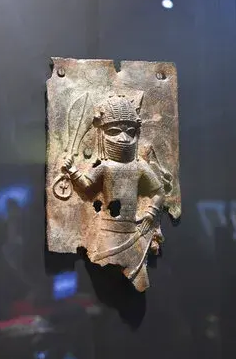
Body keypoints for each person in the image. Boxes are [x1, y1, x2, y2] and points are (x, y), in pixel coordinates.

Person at [62, 94, 164, 291]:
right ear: (102, 134)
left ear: (136, 133)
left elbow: (159, 191)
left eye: (130, 132)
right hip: (107, 233)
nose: (123, 139)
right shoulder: (105, 167)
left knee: (140, 280)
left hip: (134, 232)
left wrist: (150, 214)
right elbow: (85, 185)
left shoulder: (139, 166)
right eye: (114, 131)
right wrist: (72, 170)